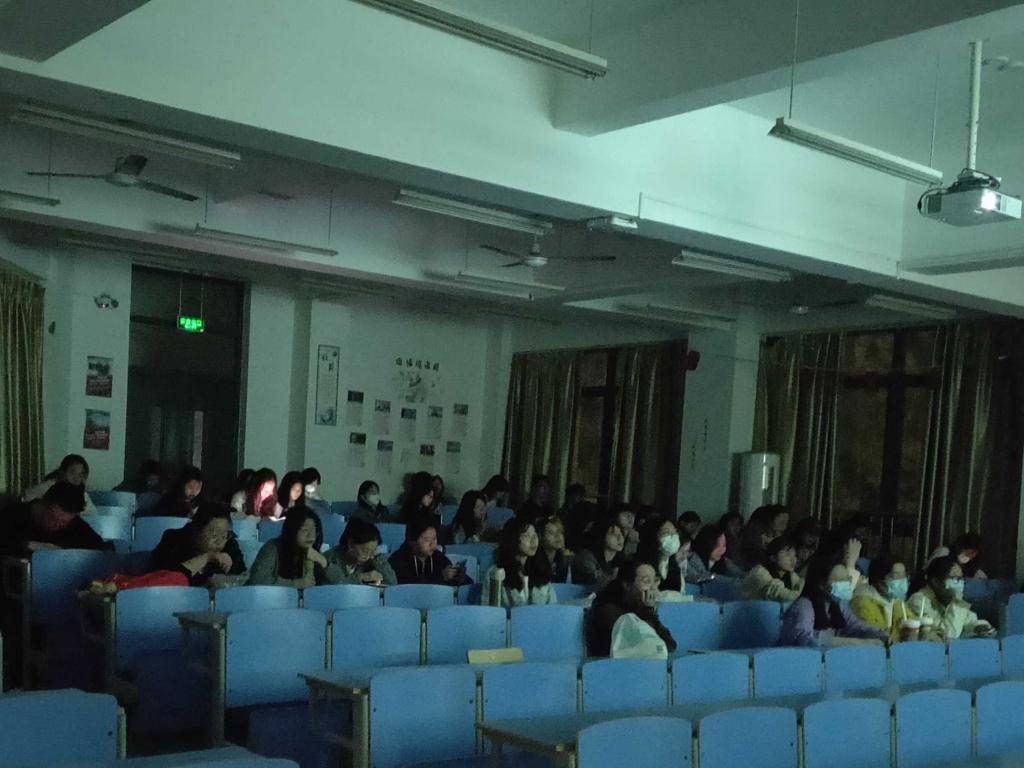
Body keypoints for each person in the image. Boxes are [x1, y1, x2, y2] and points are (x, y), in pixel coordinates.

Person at [780, 555, 888, 647]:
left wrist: (881, 635)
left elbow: (856, 627)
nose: (847, 584)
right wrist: (855, 642)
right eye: (840, 581)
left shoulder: (838, 604)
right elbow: (805, 639)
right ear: (821, 585)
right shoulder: (803, 607)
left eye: (847, 579)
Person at [586, 560, 677, 658]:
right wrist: (648, 611)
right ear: (627, 585)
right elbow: (641, 643)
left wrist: (649, 611)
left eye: (655, 581)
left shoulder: (640, 607)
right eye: (646, 581)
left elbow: (669, 644)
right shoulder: (608, 611)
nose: (653, 588)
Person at [149, 503, 246, 585]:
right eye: (214, 535)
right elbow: (166, 581)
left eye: (224, 536)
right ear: (196, 530)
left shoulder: (230, 545)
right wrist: (207, 557)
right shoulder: (172, 541)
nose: (219, 542)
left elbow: (240, 579)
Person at [0, 481, 108, 556]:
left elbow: (99, 547)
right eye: (55, 520)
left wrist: (63, 550)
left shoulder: (73, 523)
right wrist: (27, 546)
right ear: (43, 505)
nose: (60, 526)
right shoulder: (13, 514)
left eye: (64, 523)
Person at [906, 555, 994, 639]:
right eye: (954, 578)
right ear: (935, 581)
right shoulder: (918, 601)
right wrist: (956, 603)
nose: (959, 583)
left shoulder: (947, 599)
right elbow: (949, 635)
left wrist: (979, 627)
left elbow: (969, 621)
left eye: (961, 579)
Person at [247, 507, 329, 588]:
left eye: (314, 529)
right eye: (304, 529)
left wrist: (323, 562)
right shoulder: (272, 548)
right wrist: (296, 584)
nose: (310, 535)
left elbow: (333, 585)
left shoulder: (315, 553)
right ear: (292, 531)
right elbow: (257, 582)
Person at [483, 517, 556, 606]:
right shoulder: (495, 573)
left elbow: (552, 607)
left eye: (535, 534)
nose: (534, 540)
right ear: (513, 539)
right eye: (527, 536)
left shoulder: (541, 569)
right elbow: (489, 610)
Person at [850, 553, 916, 643]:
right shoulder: (862, 603)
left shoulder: (895, 601)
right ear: (879, 581)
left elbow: (912, 621)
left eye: (903, 576)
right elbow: (876, 637)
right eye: (895, 577)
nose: (902, 581)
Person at [388, 516, 467, 585]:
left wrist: (458, 577)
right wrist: (441, 577)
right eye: (427, 540)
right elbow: (410, 587)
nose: (432, 544)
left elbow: (467, 582)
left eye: (434, 538)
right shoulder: (398, 559)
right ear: (412, 541)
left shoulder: (438, 557)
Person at [325, 518, 396, 586]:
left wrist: (377, 557)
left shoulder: (371, 560)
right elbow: (338, 584)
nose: (368, 556)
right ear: (350, 544)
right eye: (365, 551)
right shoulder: (330, 560)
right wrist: (360, 577)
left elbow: (392, 583)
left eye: (373, 551)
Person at [23, 454, 96, 514]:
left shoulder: (82, 494)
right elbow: (26, 500)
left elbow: (93, 513)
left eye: (80, 475)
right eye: (72, 473)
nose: (76, 479)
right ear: (62, 472)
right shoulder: (46, 488)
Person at [741, 534, 804, 603]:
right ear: (773, 558)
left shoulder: (790, 574)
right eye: (787, 555)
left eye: (794, 555)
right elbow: (789, 596)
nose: (793, 560)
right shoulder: (760, 573)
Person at [571, 516, 625, 591]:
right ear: (601, 535)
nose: (620, 538)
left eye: (621, 534)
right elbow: (597, 583)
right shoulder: (585, 557)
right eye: (612, 533)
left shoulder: (619, 561)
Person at [637, 515, 684, 593]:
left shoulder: (674, 565)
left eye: (675, 532)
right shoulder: (641, 566)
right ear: (653, 536)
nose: (673, 537)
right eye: (666, 533)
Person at [538, 515, 571, 583]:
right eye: (551, 532)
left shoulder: (563, 559)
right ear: (541, 536)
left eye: (559, 531)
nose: (557, 536)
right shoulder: (534, 560)